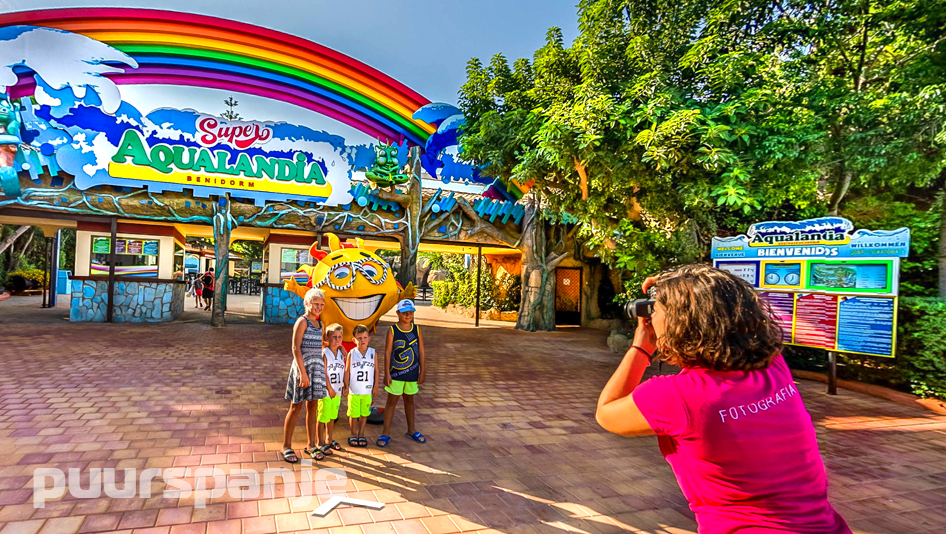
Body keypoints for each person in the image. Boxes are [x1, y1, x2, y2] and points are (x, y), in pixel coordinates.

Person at [596, 266, 851, 534]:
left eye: (656, 311)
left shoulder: (675, 395)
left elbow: (607, 412)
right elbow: (721, 296)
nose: (651, 317)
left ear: (680, 322)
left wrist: (641, 347)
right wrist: (676, 283)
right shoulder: (773, 364)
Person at [282, 288, 329, 463]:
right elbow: (296, 348)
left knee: (313, 408)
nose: (319, 307)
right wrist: (302, 373)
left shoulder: (320, 324)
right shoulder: (302, 322)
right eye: (316, 304)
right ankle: (286, 445)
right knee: (296, 407)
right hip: (303, 369)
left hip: (316, 369)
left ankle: (311, 445)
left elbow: (317, 343)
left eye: (322, 304)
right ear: (307, 303)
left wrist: (334, 345)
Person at [377, 299, 426, 448]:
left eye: (410, 312)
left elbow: (422, 351)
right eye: (405, 313)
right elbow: (387, 352)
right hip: (396, 374)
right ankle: (385, 432)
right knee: (391, 402)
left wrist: (422, 370)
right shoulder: (392, 330)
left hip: (412, 373)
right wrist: (387, 373)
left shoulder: (416, 330)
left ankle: (411, 430)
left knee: (409, 401)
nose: (408, 315)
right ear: (398, 313)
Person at [345, 324, 378, 447]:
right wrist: (346, 386)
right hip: (354, 390)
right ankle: (353, 434)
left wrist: (375, 386)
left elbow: (376, 371)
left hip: (367, 390)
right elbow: (347, 371)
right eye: (359, 338)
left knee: (364, 414)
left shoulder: (373, 353)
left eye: (365, 337)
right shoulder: (351, 354)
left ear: (369, 338)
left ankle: (362, 433)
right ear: (354, 340)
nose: (362, 340)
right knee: (354, 414)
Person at [318, 323, 346, 455]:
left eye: (339, 337)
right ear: (327, 338)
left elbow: (344, 370)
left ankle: (329, 439)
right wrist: (329, 388)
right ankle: (319, 441)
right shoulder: (325, 353)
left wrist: (345, 384)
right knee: (323, 417)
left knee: (332, 417)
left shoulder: (341, 353)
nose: (337, 339)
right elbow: (323, 373)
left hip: (337, 390)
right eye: (333, 337)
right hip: (326, 390)